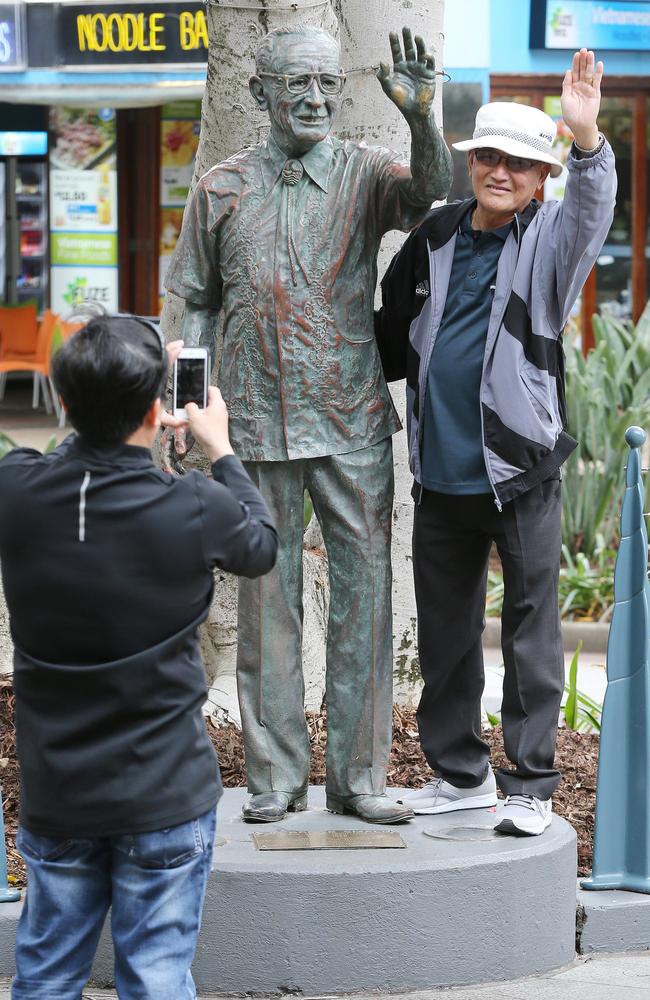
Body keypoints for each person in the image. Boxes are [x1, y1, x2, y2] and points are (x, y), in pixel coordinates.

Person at [165, 26, 452, 824]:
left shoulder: (364, 172)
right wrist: (189, 402)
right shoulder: (220, 188)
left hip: (350, 415)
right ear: (259, 93)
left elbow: (428, 189)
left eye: (327, 84)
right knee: (265, 601)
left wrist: (425, 117)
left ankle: (359, 777)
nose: (317, 98)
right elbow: (193, 299)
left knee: (364, 598)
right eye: (298, 85)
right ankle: (276, 775)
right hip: (251, 424)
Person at [0, 315, 277, 999]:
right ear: (160, 409)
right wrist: (222, 448)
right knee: (156, 979)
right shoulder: (193, 506)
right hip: (164, 792)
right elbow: (261, 542)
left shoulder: (17, 492)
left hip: (59, 792)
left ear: (63, 404)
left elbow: (65, 455)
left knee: (44, 977)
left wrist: (119, 380)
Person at [376, 49, 616, 836]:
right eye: (488, 157)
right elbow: (387, 332)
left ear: (542, 176)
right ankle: (460, 775)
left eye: (518, 162)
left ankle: (530, 784)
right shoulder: (437, 234)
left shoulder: (552, 238)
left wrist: (586, 142)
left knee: (530, 634)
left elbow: (592, 209)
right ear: (471, 162)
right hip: (439, 476)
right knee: (445, 637)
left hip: (518, 474)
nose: (500, 171)